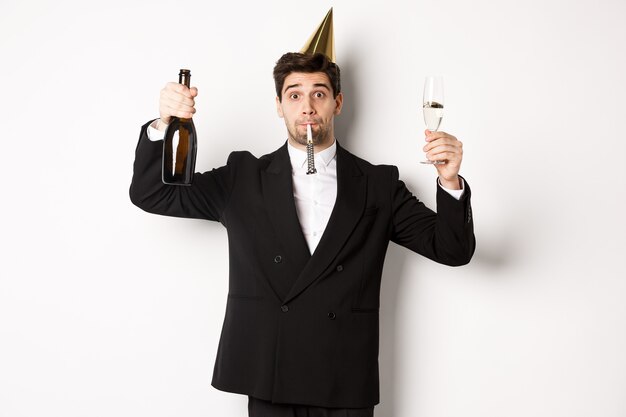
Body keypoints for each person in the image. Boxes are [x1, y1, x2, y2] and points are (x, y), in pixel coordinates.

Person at [130, 51, 475, 417]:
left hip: (344, 377)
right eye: (294, 95)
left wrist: (449, 180)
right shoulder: (242, 177)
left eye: (319, 94)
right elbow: (153, 194)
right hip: (271, 374)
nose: (307, 106)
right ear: (279, 105)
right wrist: (163, 123)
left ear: (337, 103)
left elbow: (452, 249)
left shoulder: (378, 184)